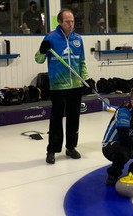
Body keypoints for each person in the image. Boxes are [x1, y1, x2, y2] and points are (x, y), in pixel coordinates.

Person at [35, 8, 88, 164]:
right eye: (67, 21)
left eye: (72, 21)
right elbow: (38, 59)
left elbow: (82, 61)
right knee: (56, 119)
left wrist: (85, 78)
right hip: (58, 86)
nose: (71, 24)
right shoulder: (51, 38)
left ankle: (71, 147)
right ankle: (52, 150)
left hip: (75, 85)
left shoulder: (78, 39)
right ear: (60, 22)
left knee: (74, 118)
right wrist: (42, 50)